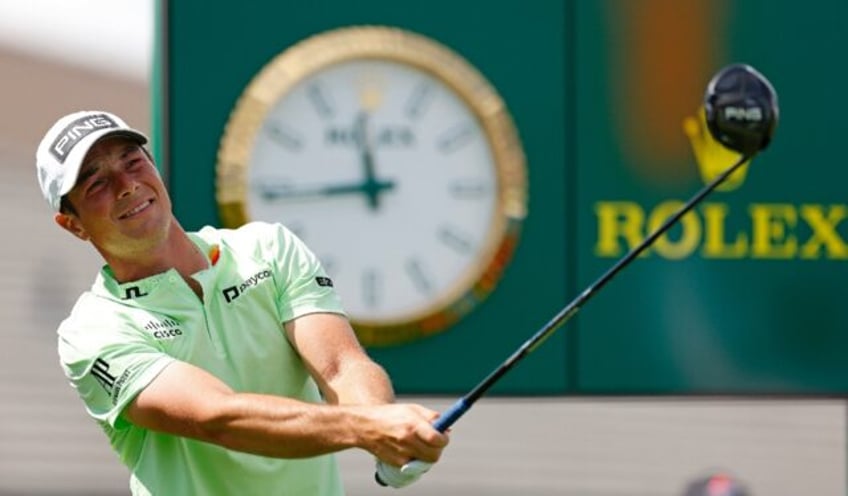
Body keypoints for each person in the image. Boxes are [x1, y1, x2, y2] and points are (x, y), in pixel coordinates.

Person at [35, 110, 449, 495]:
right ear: (72, 224)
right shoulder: (92, 332)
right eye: (97, 183)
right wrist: (369, 427)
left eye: (132, 161)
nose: (127, 185)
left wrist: (387, 432)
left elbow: (340, 366)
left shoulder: (269, 248)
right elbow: (219, 417)